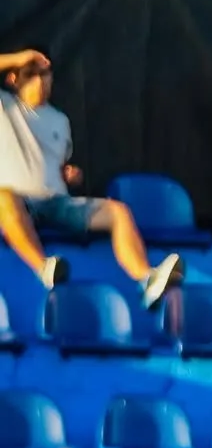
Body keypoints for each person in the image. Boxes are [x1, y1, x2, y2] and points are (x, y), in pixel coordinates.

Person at [0, 48, 182, 300]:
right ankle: (43, 268)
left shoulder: (60, 120)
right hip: (19, 203)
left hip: (57, 201)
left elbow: (57, 165)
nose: (40, 81)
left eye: (46, 74)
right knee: (3, 199)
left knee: (118, 212)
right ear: (14, 79)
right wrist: (19, 58)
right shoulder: (4, 105)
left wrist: (71, 175)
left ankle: (147, 278)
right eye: (31, 74)